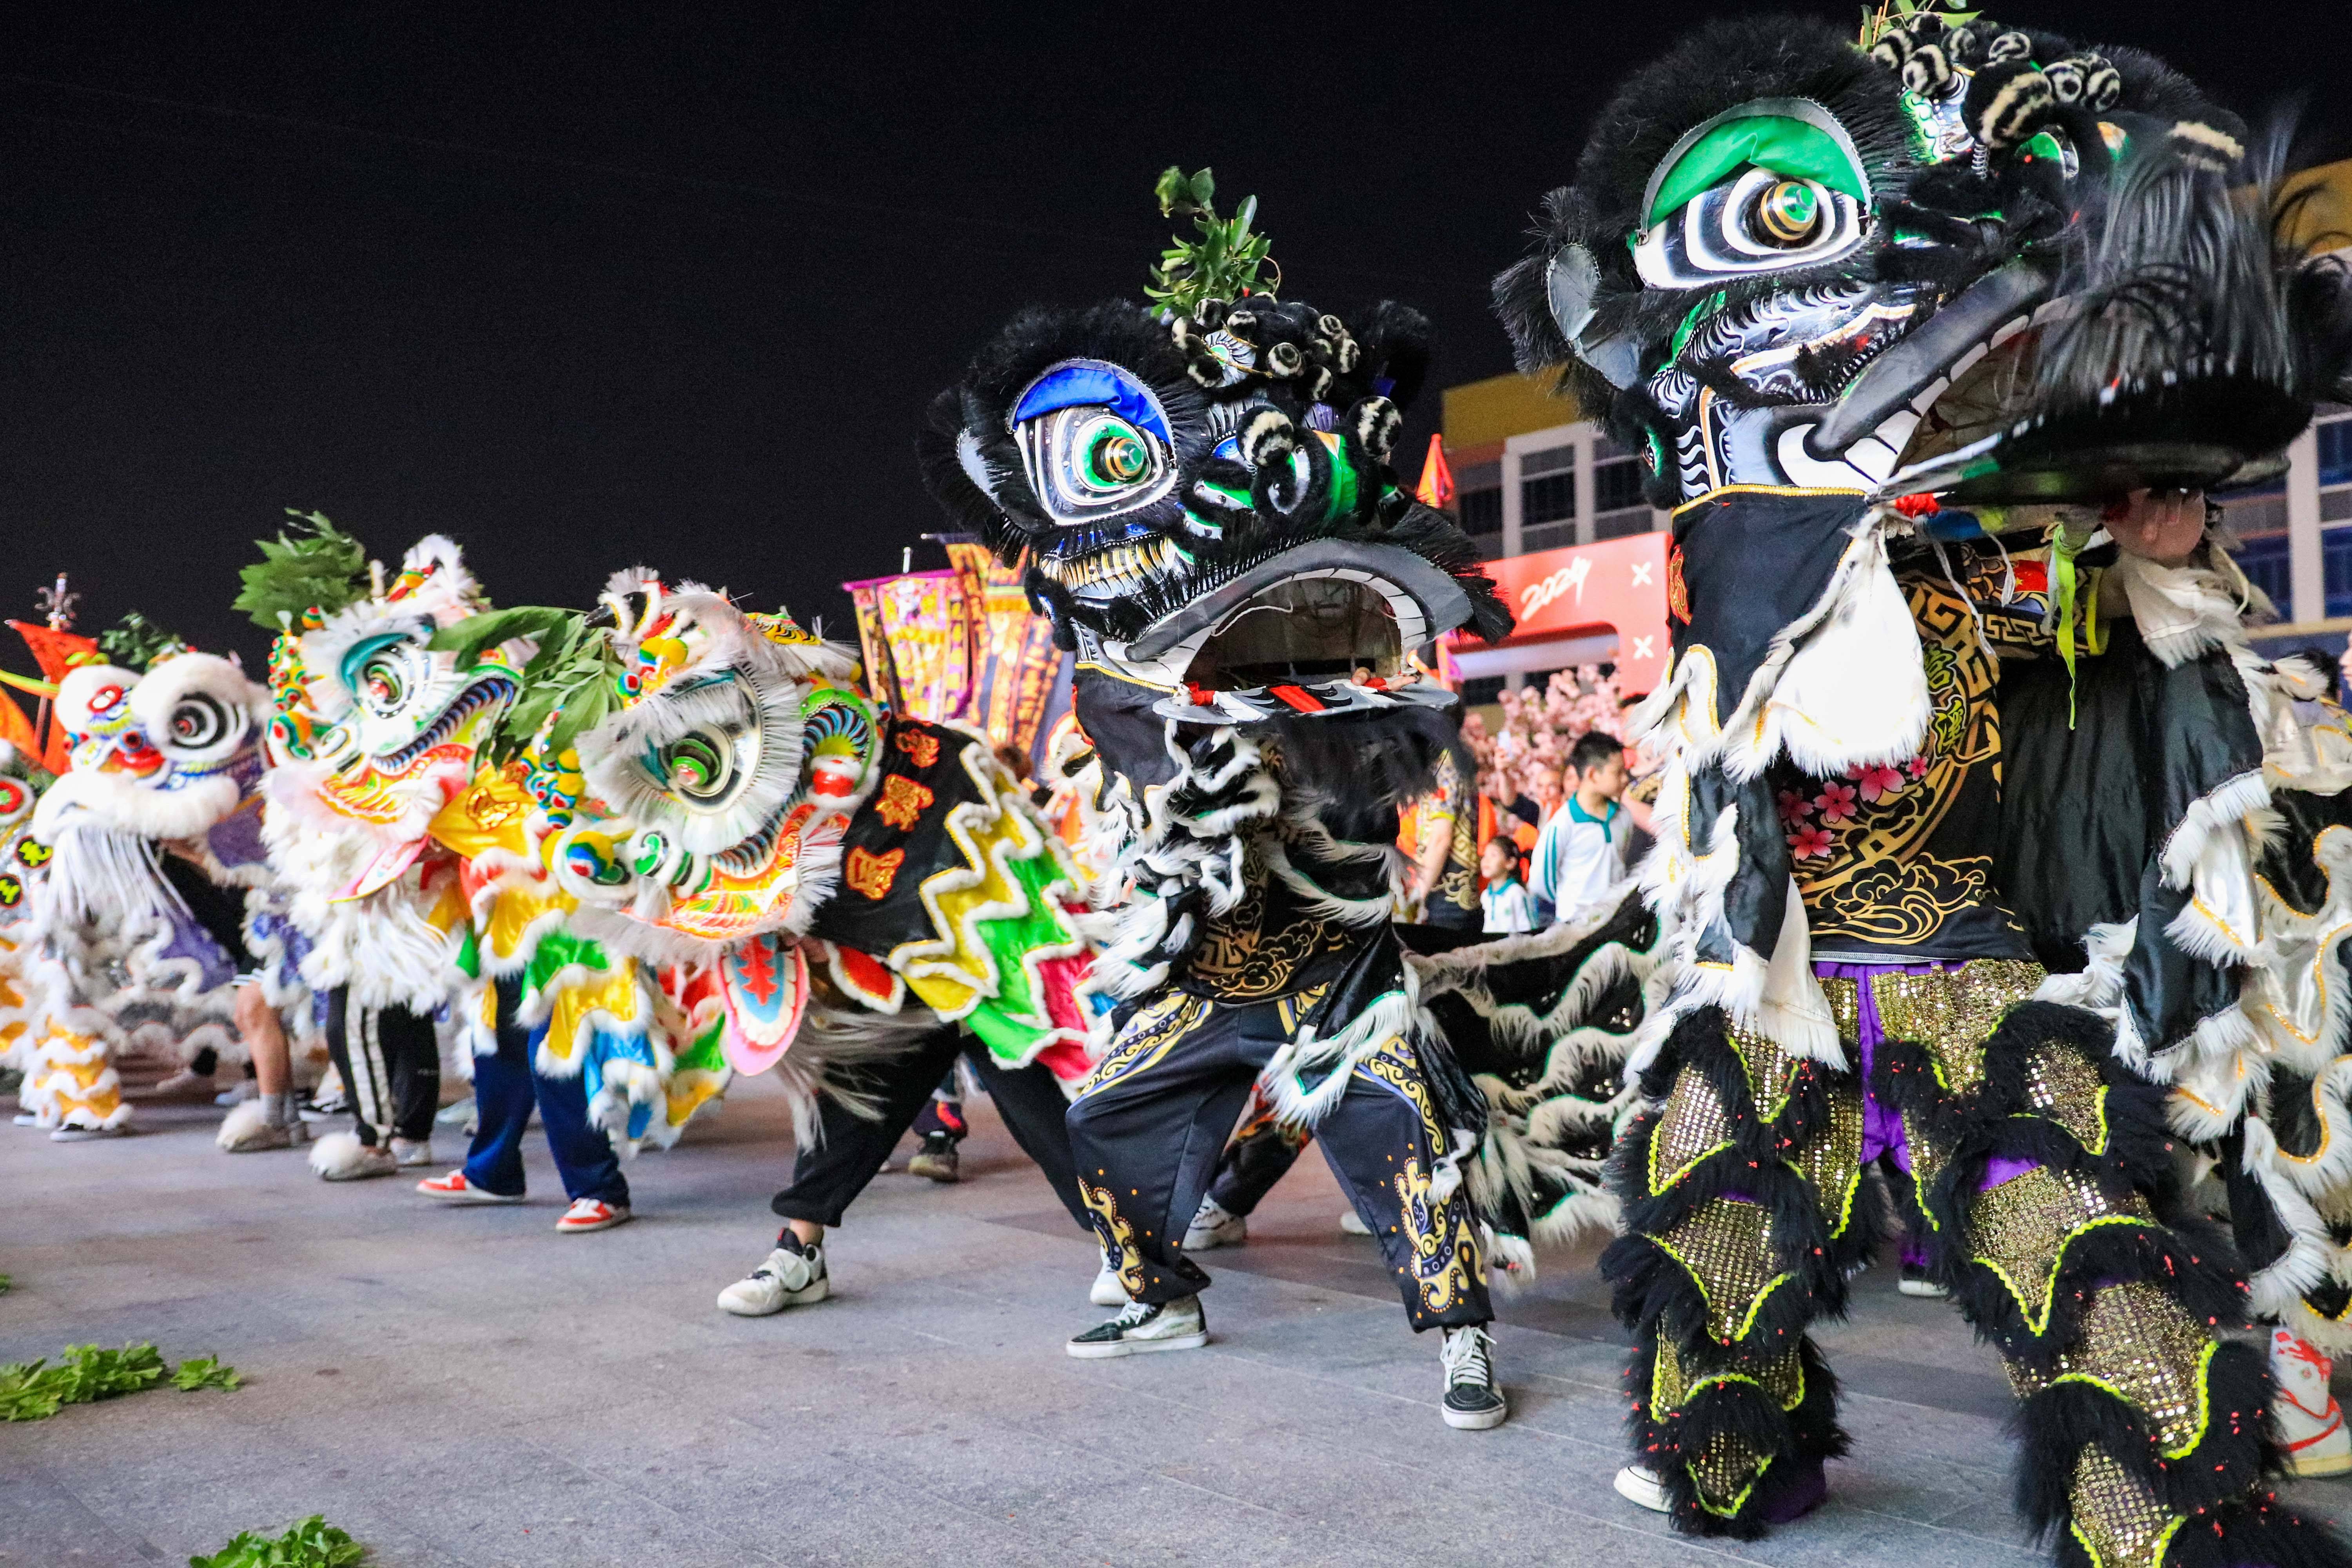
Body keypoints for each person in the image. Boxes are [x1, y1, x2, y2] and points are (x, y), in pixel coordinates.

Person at [1527, 732, 1648, 921]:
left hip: (1615, 921)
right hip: (1575, 924)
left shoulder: (1623, 815)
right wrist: (1570, 905)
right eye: (1618, 773)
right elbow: (1540, 883)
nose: (1626, 779)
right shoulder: (1563, 824)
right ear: (1592, 774)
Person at [1477, 836, 1536, 935]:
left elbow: (1528, 928)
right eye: (1485, 856)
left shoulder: (1516, 893)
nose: (1486, 860)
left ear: (1510, 863)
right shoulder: (1486, 895)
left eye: (1493, 855)